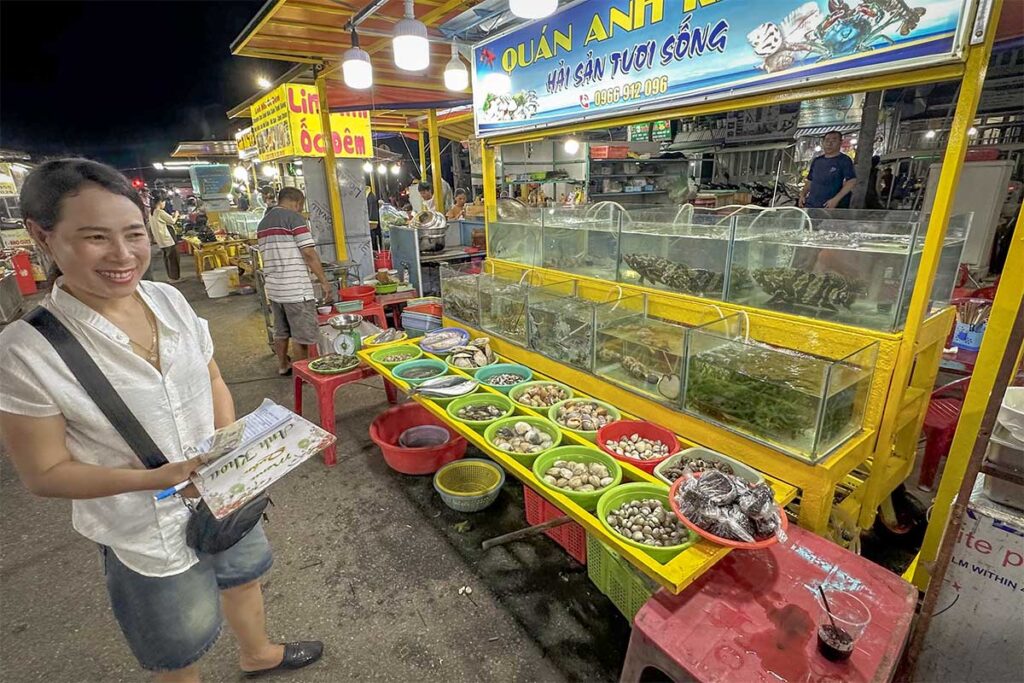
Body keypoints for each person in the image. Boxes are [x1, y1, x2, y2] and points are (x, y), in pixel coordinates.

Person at [0, 159, 323, 681]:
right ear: (43, 235)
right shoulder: (25, 350)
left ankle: (257, 653)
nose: (123, 255)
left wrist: (228, 448)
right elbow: (45, 473)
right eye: (95, 237)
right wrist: (157, 479)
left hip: (224, 492)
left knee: (243, 576)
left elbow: (214, 378)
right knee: (179, 641)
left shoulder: (168, 300)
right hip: (141, 525)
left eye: (133, 233)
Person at [257, 187, 333, 376]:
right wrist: (324, 281)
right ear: (297, 202)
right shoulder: (294, 218)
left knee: (281, 331)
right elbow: (308, 252)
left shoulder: (263, 223)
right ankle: (303, 374)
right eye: (300, 206)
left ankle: (283, 365)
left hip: (274, 289)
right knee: (301, 335)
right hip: (295, 288)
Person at [799, 130, 857, 209]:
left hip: (832, 207)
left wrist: (836, 199)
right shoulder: (817, 161)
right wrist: (803, 194)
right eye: (827, 140)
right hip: (812, 205)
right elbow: (810, 180)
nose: (829, 143)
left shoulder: (844, 160)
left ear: (840, 142)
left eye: (834, 140)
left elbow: (851, 181)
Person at [149, 194, 181, 282]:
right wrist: (176, 215)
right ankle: (174, 278)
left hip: (160, 241)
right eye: (164, 202)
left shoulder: (151, 213)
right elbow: (172, 221)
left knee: (167, 259)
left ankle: (170, 277)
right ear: (160, 202)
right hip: (167, 240)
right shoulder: (160, 212)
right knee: (173, 259)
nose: (164, 204)